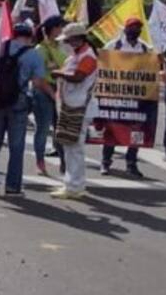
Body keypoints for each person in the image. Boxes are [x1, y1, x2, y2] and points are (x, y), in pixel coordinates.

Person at [0, 21, 49, 196]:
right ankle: (12, 187)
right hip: (18, 102)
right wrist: (52, 94)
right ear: (30, 36)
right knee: (16, 146)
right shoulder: (33, 55)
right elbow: (38, 82)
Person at [51, 23, 98, 199]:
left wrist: (59, 74)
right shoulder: (75, 56)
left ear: (78, 39)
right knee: (68, 145)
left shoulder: (88, 56)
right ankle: (70, 184)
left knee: (75, 147)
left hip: (80, 107)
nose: (66, 43)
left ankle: (75, 186)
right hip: (69, 106)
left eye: (68, 40)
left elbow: (79, 77)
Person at [100, 18, 149, 178]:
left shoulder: (144, 48)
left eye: (138, 28)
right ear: (125, 29)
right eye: (132, 27)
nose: (135, 30)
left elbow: (150, 71)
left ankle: (131, 163)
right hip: (116, 95)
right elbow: (102, 67)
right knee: (113, 129)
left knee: (137, 131)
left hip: (137, 97)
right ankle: (106, 161)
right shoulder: (114, 46)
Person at [34, 16, 67, 176]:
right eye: (60, 27)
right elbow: (39, 79)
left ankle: (64, 162)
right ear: (52, 29)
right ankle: (40, 161)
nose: (62, 30)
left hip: (60, 90)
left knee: (60, 129)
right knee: (43, 128)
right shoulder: (40, 49)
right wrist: (53, 95)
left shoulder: (63, 47)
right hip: (44, 90)